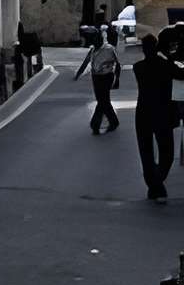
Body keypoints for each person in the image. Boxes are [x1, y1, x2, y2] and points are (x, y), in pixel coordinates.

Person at [131, 33, 184, 200]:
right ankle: (157, 183)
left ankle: (154, 185)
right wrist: (170, 57)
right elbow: (181, 74)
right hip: (163, 113)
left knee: (146, 153)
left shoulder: (137, 67)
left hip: (143, 113)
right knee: (167, 154)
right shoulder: (166, 65)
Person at [75, 27, 121, 134]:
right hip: (96, 77)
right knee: (103, 101)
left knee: (102, 100)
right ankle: (113, 122)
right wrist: (78, 74)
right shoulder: (92, 50)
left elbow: (118, 64)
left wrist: (117, 79)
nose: (93, 42)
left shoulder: (109, 49)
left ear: (100, 39)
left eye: (95, 39)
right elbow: (86, 62)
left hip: (107, 76)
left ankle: (95, 124)